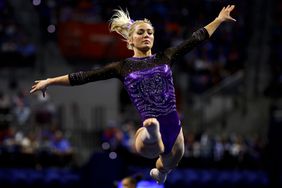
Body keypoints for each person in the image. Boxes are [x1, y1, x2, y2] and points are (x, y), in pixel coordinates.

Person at [30, 5, 236, 184]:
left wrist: (218, 19)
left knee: (171, 160)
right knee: (151, 144)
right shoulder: (123, 67)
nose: (146, 35)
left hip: (174, 125)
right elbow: (84, 76)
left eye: (149, 32)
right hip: (149, 123)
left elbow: (196, 39)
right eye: (141, 32)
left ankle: (162, 171)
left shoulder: (166, 56)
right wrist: (51, 81)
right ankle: (152, 133)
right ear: (130, 39)